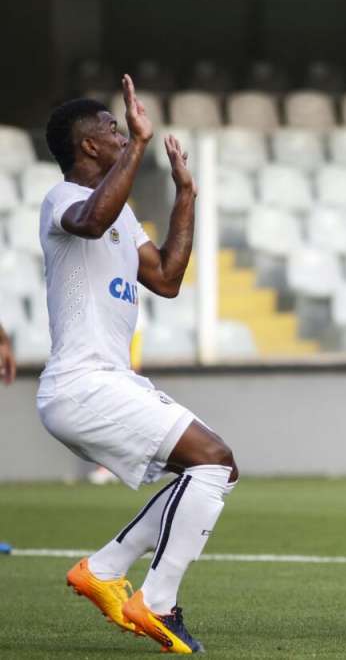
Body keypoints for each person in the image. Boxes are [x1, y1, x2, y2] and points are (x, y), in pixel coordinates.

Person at [37, 75, 238, 654]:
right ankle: (155, 601)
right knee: (214, 462)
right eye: (109, 127)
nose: (120, 130)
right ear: (87, 147)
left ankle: (103, 569)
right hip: (81, 385)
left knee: (214, 469)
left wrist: (187, 195)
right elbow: (90, 221)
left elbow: (169, 279)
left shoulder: (121, 214)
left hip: (108, 382)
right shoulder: (62, 199)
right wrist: (143, 148)